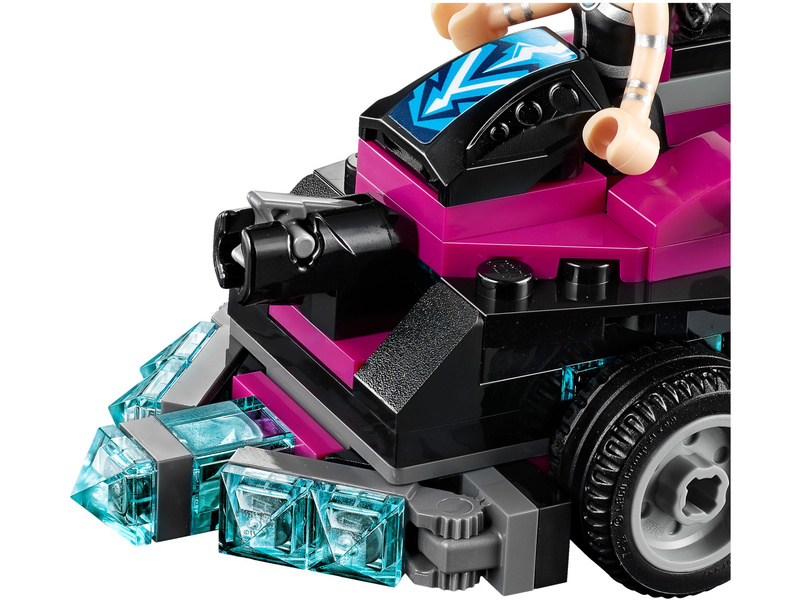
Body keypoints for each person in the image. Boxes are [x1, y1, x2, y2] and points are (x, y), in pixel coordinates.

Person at [431, 3, 670, 175]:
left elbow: (650, 53)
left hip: (617, 101)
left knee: (608, 168)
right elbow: (530, 8)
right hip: (580, 82)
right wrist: (488, 17)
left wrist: (634, 114)